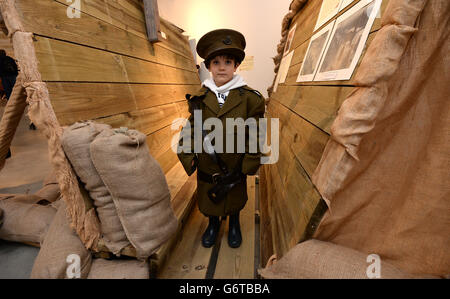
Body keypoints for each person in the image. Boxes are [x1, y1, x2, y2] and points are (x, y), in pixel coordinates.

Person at [177, 29, 266, 249]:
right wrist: (188, 156)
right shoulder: (199, 98)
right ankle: (213, 224)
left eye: (228, 61)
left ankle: (234, 222)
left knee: (234, 198)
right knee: (209, 199)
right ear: (208, 67)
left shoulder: (250, 99)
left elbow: (255, 134)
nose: (222, 67)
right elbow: (190, 130)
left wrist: (250, 163)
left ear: (236, 66)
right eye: (216, 62)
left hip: (234, 166)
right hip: (208, 165)